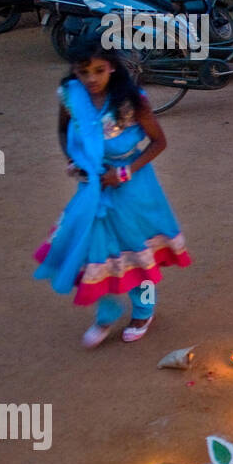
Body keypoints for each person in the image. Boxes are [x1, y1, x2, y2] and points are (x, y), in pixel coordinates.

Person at [33, 36, 191, 347]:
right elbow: (63, 131)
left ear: (113, 68)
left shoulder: (132, 102)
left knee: (139, 255)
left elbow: (159, 142)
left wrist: (124, 172)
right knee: (96, 252)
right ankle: (105, 316)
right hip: (92, 189)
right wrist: (73, 160)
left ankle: (144, 312)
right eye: (83, 71)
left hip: (133, 189)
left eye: (99, 70)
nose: (91, 79)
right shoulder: (70, 95)